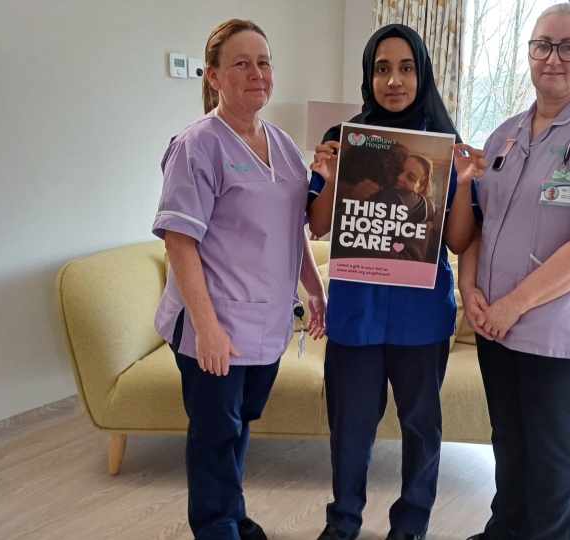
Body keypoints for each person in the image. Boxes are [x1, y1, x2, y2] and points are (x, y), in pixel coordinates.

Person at [449, 3, 570, 539]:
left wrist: (513, 304)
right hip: (495, 325)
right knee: (509, 442)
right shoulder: (506, 133)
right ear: (529, 54)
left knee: (552, 455)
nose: (553, 57)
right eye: (542, 45)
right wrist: (470, 288)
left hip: (560, 331)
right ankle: (502, 531)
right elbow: (478, 224)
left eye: (567, 46)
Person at [151, 19, 327, 540]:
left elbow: (295, 228)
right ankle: (216, 526)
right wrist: (206, 327)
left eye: (264, 62)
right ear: (214, 76)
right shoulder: (198, 146)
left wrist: (313, 288)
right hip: (216, 323)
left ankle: (232, 514)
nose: (257, 74)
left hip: (266, 324)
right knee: (214, 433)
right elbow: (179, 241)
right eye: (241, 64)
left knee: (239, 425)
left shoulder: (284, 145)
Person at [307, 24, 480, 540]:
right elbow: (317, 225)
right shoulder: (343, 140)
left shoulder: (444, 149)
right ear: (369, 76)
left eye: (406, 68)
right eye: (382, 69)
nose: (394, 80)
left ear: (422, 73)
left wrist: (467, 185)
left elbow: (456, 239)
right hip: (355, 313)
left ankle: (411, 527)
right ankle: (343, 524)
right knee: (350, 432)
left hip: (421, 318)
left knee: (421, 430)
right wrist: (329, 179)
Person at [368, 154, 437, 261]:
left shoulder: (422, 217)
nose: (400, 177)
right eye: (399, 170)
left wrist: (367, 237)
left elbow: (411, 262)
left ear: (420, 188)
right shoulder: (375, 186)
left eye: (411, 178)